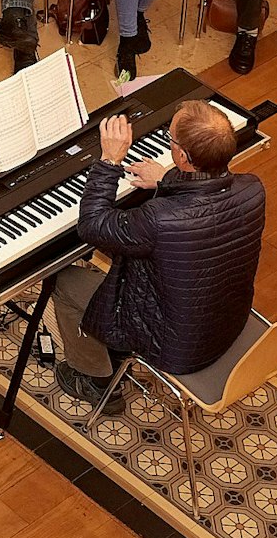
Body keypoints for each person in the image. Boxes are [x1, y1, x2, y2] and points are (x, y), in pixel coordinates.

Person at [48, 105, 265, 410]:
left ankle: (94, 379)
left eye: (171, 139)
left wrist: (110, 160)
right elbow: (205, 210)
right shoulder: (253, 188)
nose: (169, 143)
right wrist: (165, 181)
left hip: (176, 347)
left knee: (64, 280)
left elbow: (92, 226)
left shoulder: (159, 220)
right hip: (227, 322)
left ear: (182, 158)